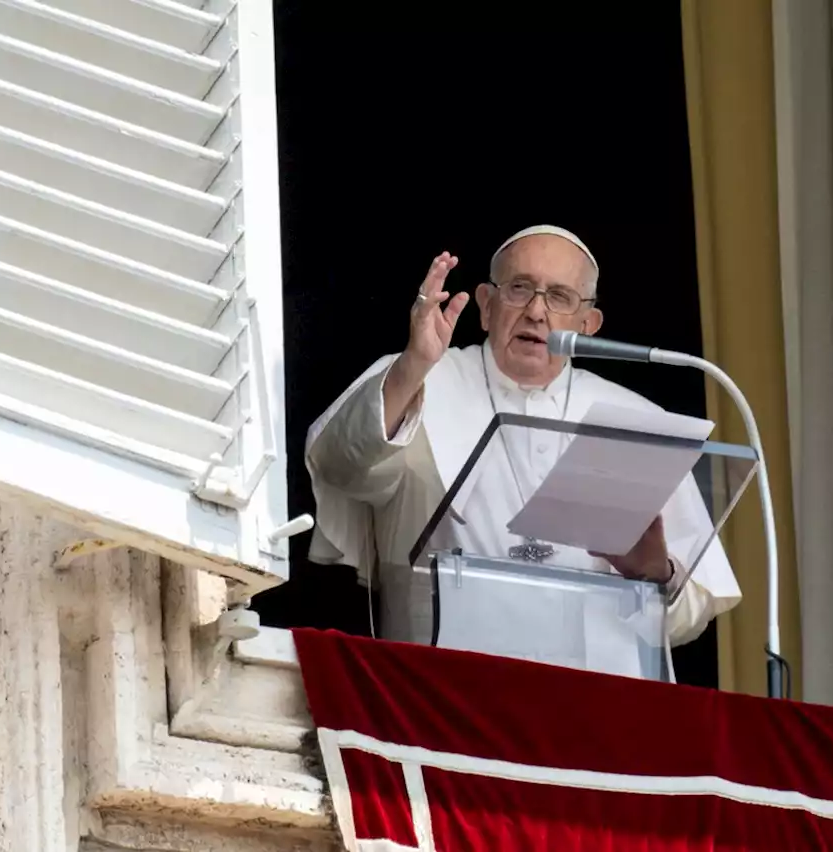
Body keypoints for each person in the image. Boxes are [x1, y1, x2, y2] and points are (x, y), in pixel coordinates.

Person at [304, 225, 741, 666]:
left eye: (559, 297)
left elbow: (690, 619)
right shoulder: (418, 380)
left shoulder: (638, 421)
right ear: (487, 306)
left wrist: (653, 574)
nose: (536, 311)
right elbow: (344, 467)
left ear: (587, 325)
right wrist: (413, 364)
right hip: (439, 694)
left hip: (593, 708)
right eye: (519, 289)